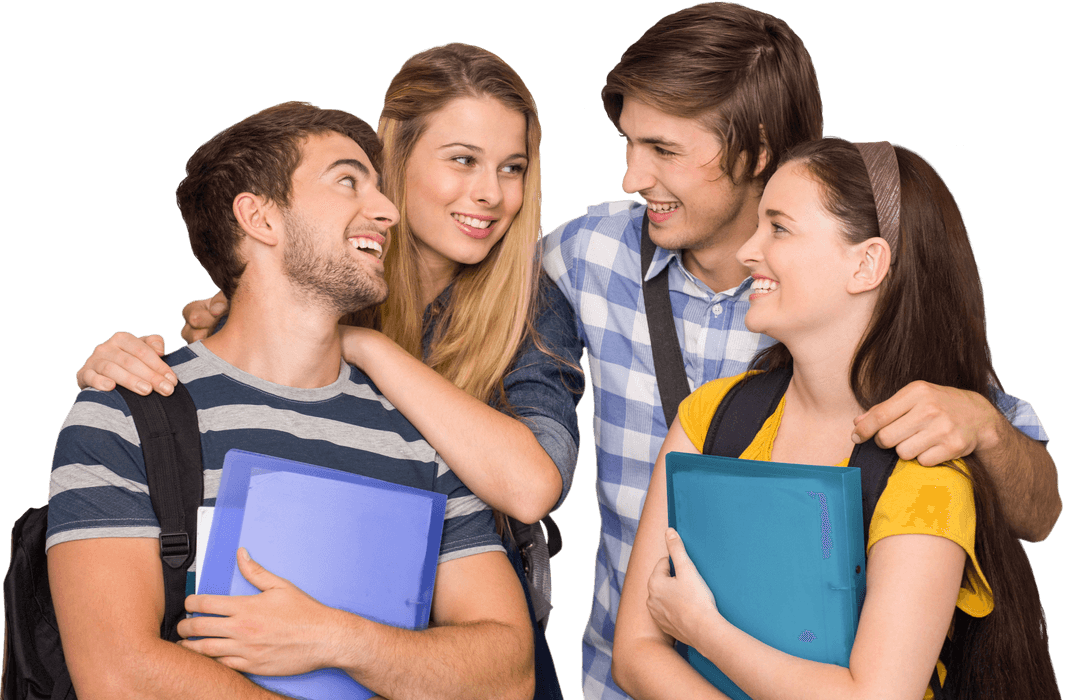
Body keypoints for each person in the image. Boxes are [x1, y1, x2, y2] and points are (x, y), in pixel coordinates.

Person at [539, 4, 1059, 698]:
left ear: (753, 151)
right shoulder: (584, 255)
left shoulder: (869, 315)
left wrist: (986, 427)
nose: (632, 178)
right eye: (630, 144)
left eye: (663, 150)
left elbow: (1038, 511)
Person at [72, 43, 583, 697]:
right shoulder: (326, 278)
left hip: (451, 647)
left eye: (513, 168)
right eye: (463, 160)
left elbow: (531, 487)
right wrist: (124, 380)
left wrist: (364, 348)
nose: (491, 193)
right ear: (394, 165)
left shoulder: (529, 307)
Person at [612, 136, 1059, 699]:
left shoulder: (925, 468)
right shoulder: (710, 417)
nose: (749, 252)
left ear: (867, 263)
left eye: (778, 228)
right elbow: (635, 654)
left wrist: (703, 630)